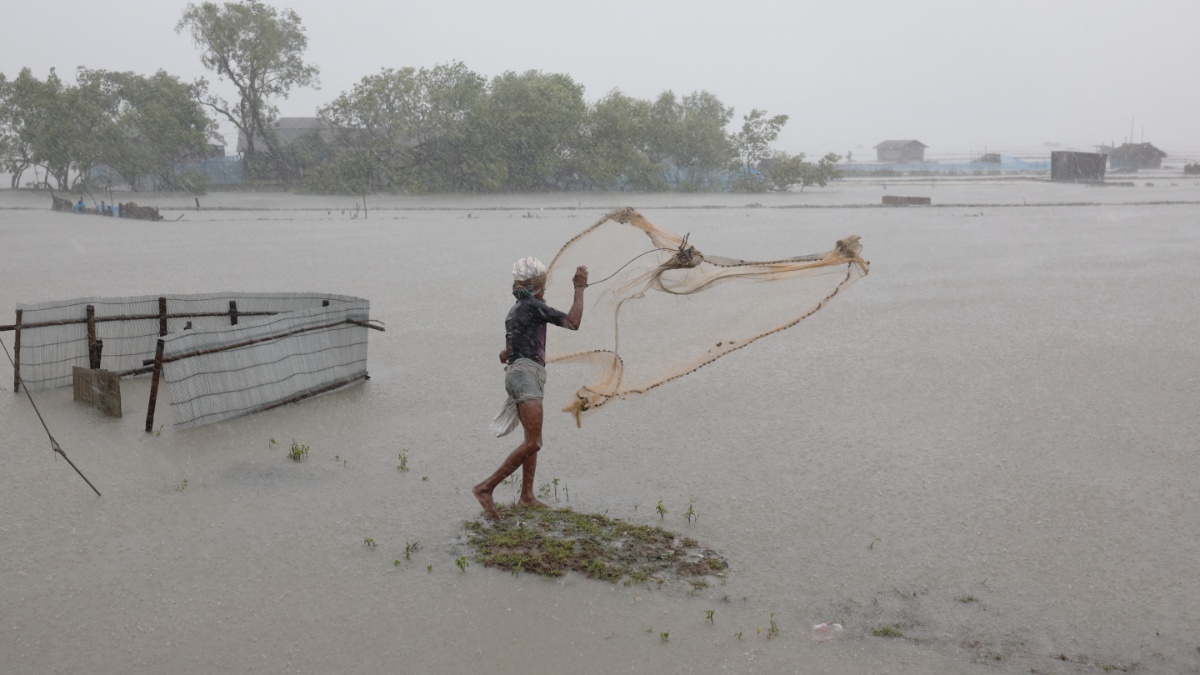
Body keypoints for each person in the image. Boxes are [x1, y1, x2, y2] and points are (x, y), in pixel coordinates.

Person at [473, 257, 587, 520]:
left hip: (518, 374)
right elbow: (573, 322)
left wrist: (506, 352)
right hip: (526, 376)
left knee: (529, 440)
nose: (545, 290)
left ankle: (526, 496)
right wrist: (579, 288)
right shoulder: (533, 306)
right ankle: (485, 488)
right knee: (535, 441)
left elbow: (508, 351)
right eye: (543, 286)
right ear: (537, 287)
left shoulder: (515, 311)